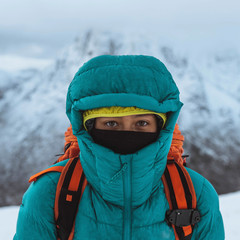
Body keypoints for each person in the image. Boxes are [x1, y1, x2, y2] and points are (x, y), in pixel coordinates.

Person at [14, 55, 224, 239]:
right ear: (87, 127)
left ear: (162, 127)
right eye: (111, 123)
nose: (126, 133)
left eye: (141, 123)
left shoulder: (196, 195)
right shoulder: (49, 193)